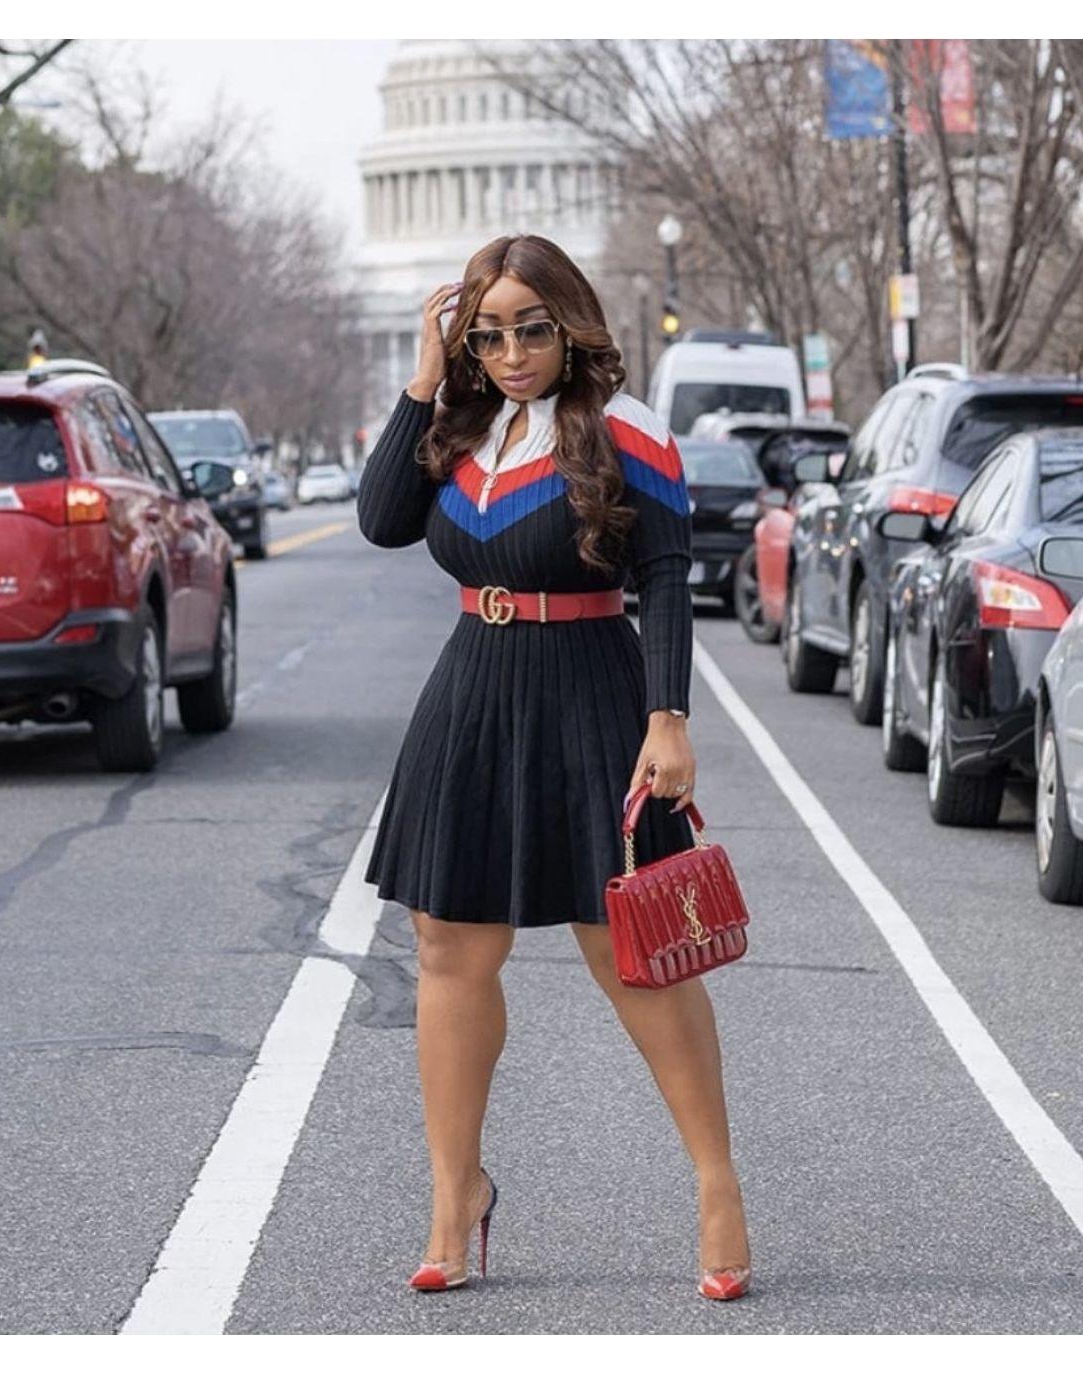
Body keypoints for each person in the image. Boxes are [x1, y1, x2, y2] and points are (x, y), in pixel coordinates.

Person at [356, 234, 752, 1302]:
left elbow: (664, 575)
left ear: (569, 326)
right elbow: (382, 521)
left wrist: (667, 719)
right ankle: (456, 1191)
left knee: (635, 948)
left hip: (591, 688)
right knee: (448, 944)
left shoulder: (625, 427)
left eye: (530, 329)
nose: (511, 353)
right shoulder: (459, 424)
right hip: (470, 692)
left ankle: (716, 1183)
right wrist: (424, 378)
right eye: (486, 335)